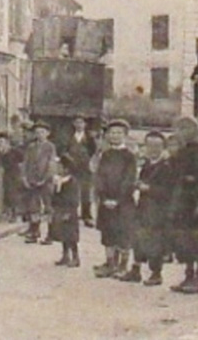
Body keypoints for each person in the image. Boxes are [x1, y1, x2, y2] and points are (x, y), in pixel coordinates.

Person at [119, 131, 174, 286]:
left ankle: (156, 273)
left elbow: (168, 191)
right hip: (143, 207)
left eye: (157, 146)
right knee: (137, 237)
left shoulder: (166, 168)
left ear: (163, 148)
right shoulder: (146, 165)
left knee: (155, 241)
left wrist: (148, 188)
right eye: (149, 145)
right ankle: (135, 269)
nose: (153, 149)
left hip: (157, 210)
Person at [168, 116, 198, 294]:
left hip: (196, 201)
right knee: (185, 239)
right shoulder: (184, 151)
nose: (178, 134)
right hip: (184, 201)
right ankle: (188, 276)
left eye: (181, 130)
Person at [92, 119, 138, 279]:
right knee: (108, 232)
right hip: (106, 201)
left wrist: (118, 199)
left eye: (119, 133)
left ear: (125, 136)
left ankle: (123, 265)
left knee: (123, 232)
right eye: (112, 133)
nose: (115, 136)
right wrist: (103, 197)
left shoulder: (130, 156)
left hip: (123, 201)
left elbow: (129, 179)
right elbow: (99, 177)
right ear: (107, 136)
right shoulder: (105, 155)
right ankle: (110, 263)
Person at [21, 121, 56, 244]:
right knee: (33, 206)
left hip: (45, 181)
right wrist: (25, 177)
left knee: (48, 207)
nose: (40, 134)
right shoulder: (31, 147)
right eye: (37, 132)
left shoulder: (50, 147)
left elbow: (52, 164)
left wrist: (45, 178)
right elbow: (25, 163)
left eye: (43, 132)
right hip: (32, 180)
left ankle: (51, 234)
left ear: (48, 133)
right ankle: (34, 231)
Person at [62, 116, 97, 228]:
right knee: (70, 191)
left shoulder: (89, 138)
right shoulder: (68, 137)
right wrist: (67, 163)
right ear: (73, 124)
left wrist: (87, 162)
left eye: (81, 122)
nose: (79, 125)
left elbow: (93, 151)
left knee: (86, 193)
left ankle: (86, 216)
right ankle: (70, 215)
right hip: (72, 168)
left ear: (85, 124)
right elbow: (63, 151)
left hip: (85, 168)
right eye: (76, 122)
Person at [49, 155, 81, 268]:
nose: (58, 168)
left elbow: (73, 199)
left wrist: (69, 212)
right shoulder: (59, 180)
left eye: (60, 166)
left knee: (71, 235)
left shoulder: (71, 182)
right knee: (63, 234)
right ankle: (65, 256)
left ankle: (76, 257)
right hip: (60, 209)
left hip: (69, 211)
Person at [0, 131, 24, 220]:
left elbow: (22, 161)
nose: (0, 144)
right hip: (2, 176)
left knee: (13, 194)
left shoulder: (15, 151)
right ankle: (7, 213)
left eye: (2, 142)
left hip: (13, 175)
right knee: (5, 194)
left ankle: (14, 214)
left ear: (7, 142)